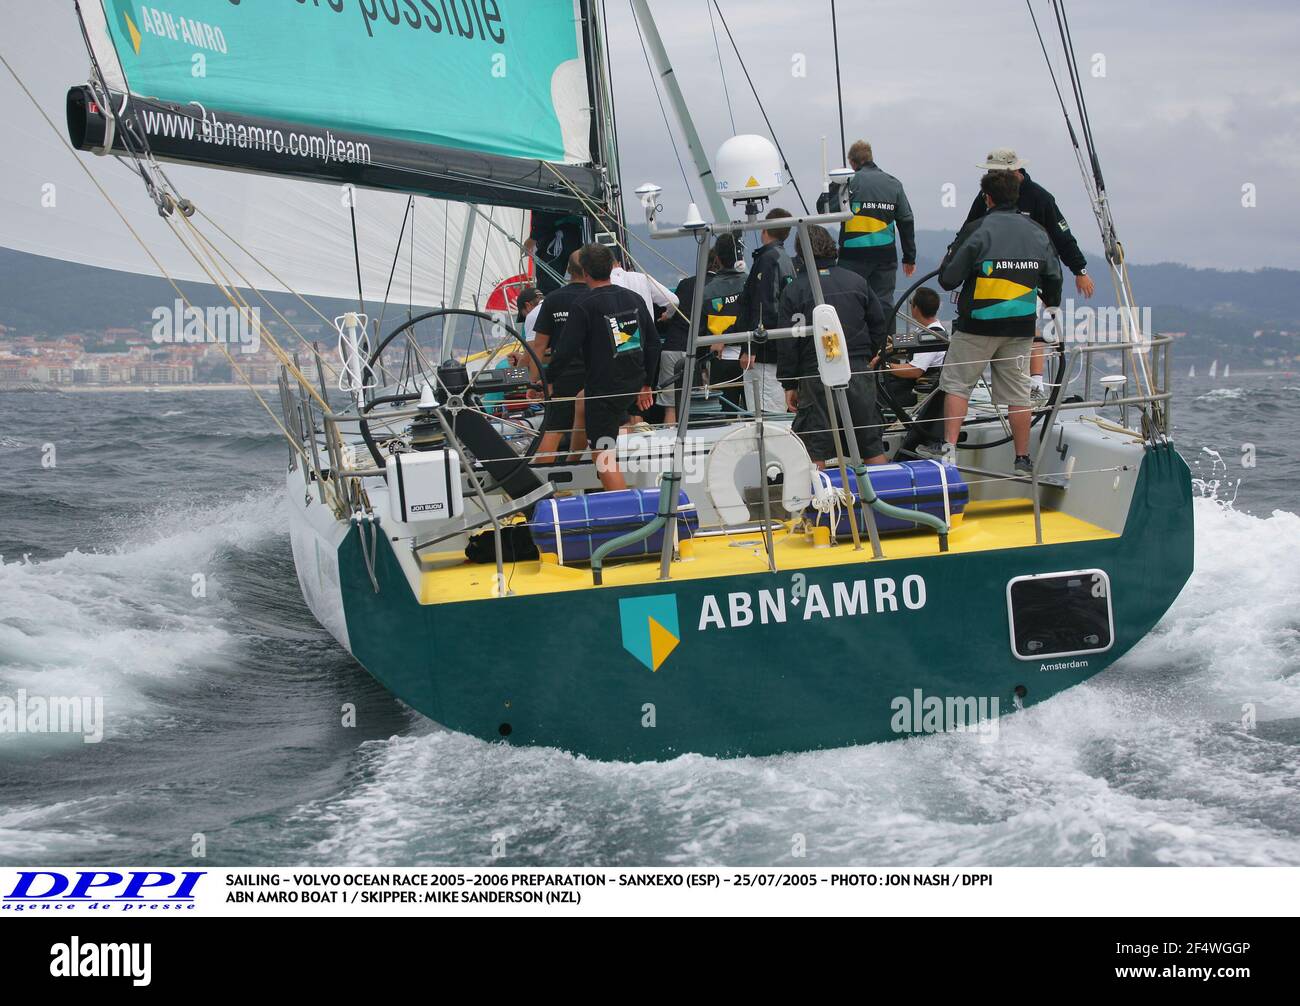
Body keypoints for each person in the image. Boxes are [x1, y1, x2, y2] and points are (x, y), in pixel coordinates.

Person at [930, 170, 1063, 474]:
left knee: (958, 386)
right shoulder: (1037, 232)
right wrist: (1050, 301)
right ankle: (1022, 459)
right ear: (1017, 195)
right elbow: (1054, 278)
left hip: (977, 325)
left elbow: (949, 279)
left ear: (987, 198)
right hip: (1019, 327)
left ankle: (949, 451)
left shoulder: (978, 230)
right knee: (1018, 393)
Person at [965, 148, 1094, 400]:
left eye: (995, 172)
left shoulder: (1040, 198)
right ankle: (980, 380)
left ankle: (1035, 382)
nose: (990, 176)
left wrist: (1079, 269)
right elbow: (969, 227)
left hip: (1031, 272)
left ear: (1014, 171)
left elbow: (1062, 235)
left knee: (1028, 320)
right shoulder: (985, 196)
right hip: (993, 274)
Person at [546, 243, 660, 491]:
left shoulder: (584, 305)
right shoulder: (633, 298)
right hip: (634, 383)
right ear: (612, 267)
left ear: (584, 271)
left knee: (602, 455)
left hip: (606, 389)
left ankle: (625, 510)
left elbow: (564, 351)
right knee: (580, 400)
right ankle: (572, 462)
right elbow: (652, 345)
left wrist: (547, 379)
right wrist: (647, 384)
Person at [776, 225, 890, 467]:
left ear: (800, 252)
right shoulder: (857, 282)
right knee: (870, 444)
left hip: (814, 374)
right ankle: (886, 496)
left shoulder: (794, 290)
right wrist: (868, 356)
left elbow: (788, 342)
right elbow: (879, 323)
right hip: (857, 370)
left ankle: (816, 502)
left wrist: (789, 383)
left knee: (813, 448)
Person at [831, 140, 916, 309]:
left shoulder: (849, 182)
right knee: (883, 305)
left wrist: (837, 182)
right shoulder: (894, 183)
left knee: (849, 303)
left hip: (852, 257)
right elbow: (906, 220)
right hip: (885, 257)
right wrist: (909, 258)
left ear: (852, 163)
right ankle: (886, 336)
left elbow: (824, 208)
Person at [530, 253, 591, 465]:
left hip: (563, 374)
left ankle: (543, 479)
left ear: (568, 271)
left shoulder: (553, 299)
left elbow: (539, 346)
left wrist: (534, 382)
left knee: (555, 428)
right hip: (596, 372)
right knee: (606, 425)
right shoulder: (598, 295)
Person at [738, 207, 796, 416]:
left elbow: (764, 306)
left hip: (764, 354)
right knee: (776, 410)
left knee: (764, 412)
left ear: (765, 228)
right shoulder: (785, 259)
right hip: (779, 349)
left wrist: (751, 348)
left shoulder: (767, 260)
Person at [657, 248, 720, 425]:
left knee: (671, 406)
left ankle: (669, 447)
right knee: (700, 405)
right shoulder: (719, 286)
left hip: (673, 346)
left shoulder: (685, 283)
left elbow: (675, 308)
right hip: (699, 353)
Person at [702, 234, 749, 413]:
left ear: (718, 259)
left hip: (720, 361)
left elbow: (700, 329)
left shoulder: (706, 291)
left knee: (724, 419)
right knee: (755, 416)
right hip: (750, 358)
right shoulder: (752, 284)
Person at [881, 287, 947, 408]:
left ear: (915, 308)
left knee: (877, 394)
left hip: (914, 388)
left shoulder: (932, 335)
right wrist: (893, 346)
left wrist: (884, 366)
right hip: (910, 384)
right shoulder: (926, 330)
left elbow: (915, 371)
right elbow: (915, 352)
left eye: (911, 303)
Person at [525, 211, 585, 294]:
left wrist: (533, 237)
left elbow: (544, 214)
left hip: (556, 238)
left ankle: (550, 303)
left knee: (547, 285)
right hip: (575, 235)